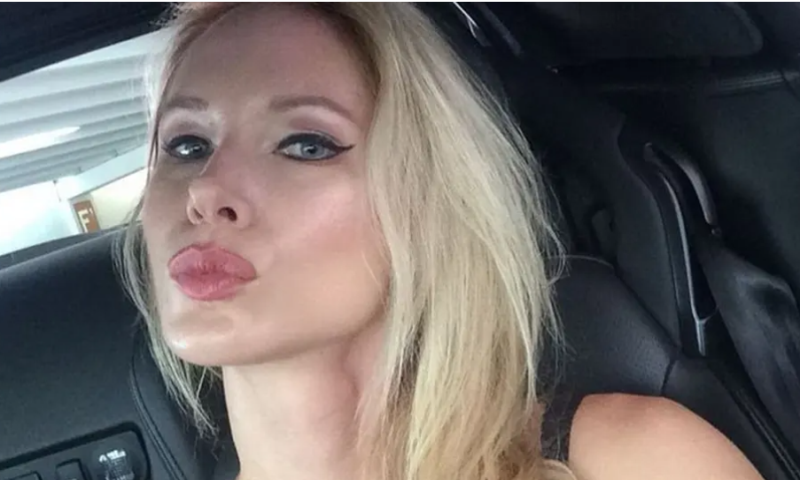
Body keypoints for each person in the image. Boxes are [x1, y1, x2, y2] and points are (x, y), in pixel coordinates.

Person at [118, 3, 766, 480]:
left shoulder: (631, 461)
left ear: (424, 204)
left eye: (305, 145)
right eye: (186, 145)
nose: (205, 189)